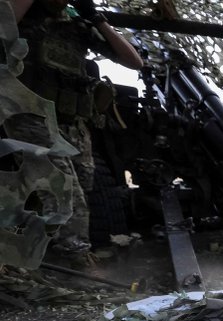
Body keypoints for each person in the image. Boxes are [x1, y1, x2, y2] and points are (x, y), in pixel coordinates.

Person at [5, 0, 142, 260]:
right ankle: (77, 261)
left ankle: (43, 245)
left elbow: (133, 61)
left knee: (84, 185)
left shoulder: (78, 25)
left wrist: (96, 17)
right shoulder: (25, 16)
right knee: (64, 190)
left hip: (71, 122)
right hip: (30, 114)